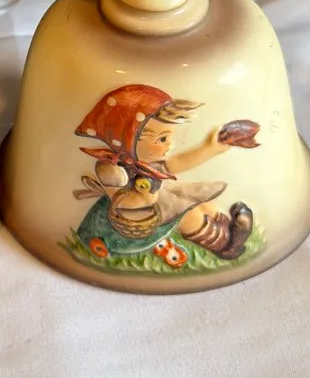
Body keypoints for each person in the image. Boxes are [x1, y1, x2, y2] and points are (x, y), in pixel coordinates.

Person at [72, 83, 257, 262]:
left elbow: (177, 163)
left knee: (201, 203)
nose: (170, 145)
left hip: (157, 207)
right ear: (128, 139)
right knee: (187, 213)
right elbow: (123, 201)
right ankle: (225, 246)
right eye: (162, 139)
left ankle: (229, 231)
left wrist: (210, 149)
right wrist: (143, 194)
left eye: (169, 137)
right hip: (130, 224)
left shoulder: (147, 164)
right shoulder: (112, 168)